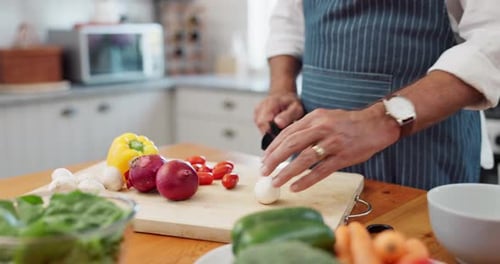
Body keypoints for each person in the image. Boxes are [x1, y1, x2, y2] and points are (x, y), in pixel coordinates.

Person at [254, 0, 500, 191]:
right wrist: (282, 88)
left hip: (423, 153)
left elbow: (491, 42)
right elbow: (287, 20)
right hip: (315, 153)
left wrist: (384, 119)